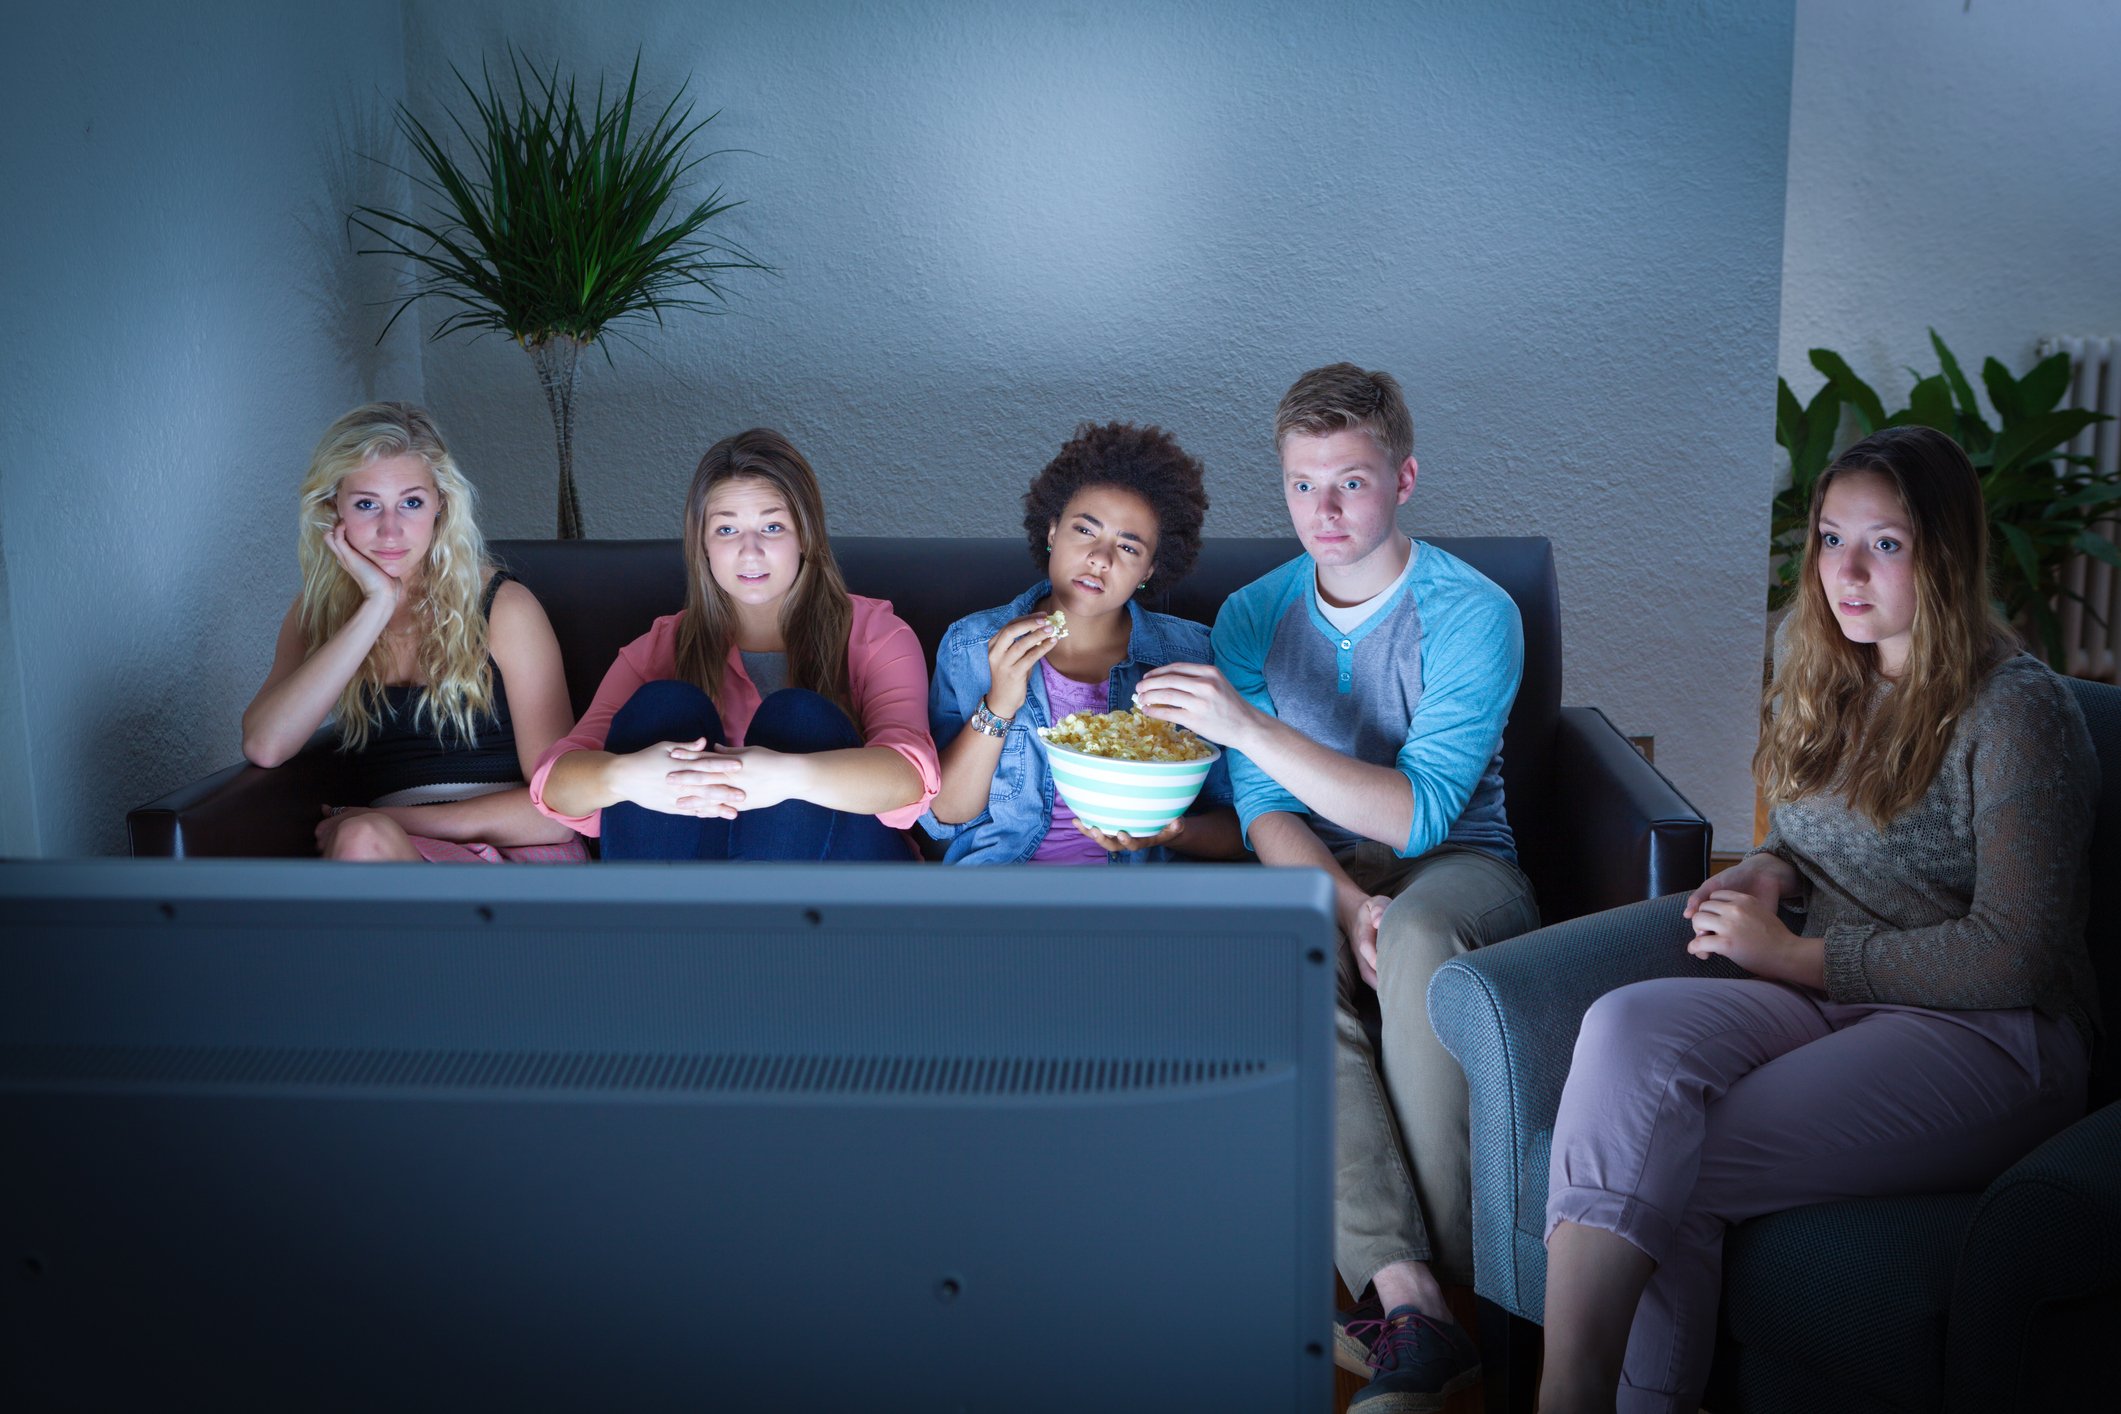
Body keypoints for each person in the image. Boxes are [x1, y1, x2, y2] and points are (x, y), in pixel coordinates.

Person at [1537, 425, 2099, 1414]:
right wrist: (1764, 871)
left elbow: (2017, 955)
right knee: (1623, 1027)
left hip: (1994, 1037)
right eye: (1832, 537)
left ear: (1948, 552)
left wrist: (1795, 954)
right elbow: (1810, 844)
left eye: (1884, 543)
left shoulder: (2019, 714)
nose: (1847, 569)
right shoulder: (1833, 673)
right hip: (1843, 1004)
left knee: (1669, 1164)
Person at [1136, 363, 1536, 1407]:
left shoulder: (1473, 610)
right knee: (1288, 945)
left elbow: (1419, 813)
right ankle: (1411, 1304)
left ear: (1404, 478)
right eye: (1303, 485)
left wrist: (1247, 725)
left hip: (1463, 866)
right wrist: (1344, 905)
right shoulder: (1252, 617)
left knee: (1413, 941)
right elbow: (1269, 813)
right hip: (1320, 866)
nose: (1325, 510)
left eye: (1351, 483)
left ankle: (1470, 1286)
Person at [531, 427, 938, 859]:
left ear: (806, 536)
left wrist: (791, 777)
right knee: (663, 706)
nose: (750, 551)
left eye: (772, 526)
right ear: (702, 545)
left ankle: (759, 923)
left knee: (798, 718)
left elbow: (910, 775)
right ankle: (675, 923)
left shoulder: (875, 632)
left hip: (837, 882)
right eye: (727, 530)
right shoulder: (659, 647)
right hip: (698, 884)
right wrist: (625, 776)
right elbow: (554, 783)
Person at [241, 402, 584, 862]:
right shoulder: (317, 614)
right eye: (366, 504)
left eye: (411, 502)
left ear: (440, 505)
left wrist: (388, 821)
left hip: (515, 852)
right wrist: (375, 606)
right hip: (391, 858)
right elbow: (266, 745)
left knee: (362, 840)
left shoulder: (503, 608)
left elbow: (557, 813)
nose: (390, 530)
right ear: (332, 510)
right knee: (364, 843)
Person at [922, 421, 1243, 864]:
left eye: (1129, 548)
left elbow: (1240, 826)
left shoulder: (1191, 657)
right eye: (1085, 531)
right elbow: (944, 815)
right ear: (1052, 532)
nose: (1100, 558)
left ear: (1149, 569)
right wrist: (998, 704)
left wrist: (1169, 832)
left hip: (1138, 906)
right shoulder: (971, 645)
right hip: (999, 895)